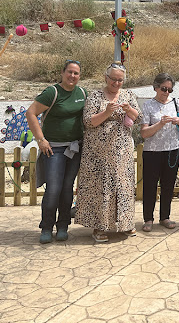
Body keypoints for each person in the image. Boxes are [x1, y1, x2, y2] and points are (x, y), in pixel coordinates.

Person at [74, 63, 141, 243]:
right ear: (106, 78)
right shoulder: (95, 96)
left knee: (123, 186)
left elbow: (138, 117)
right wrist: (106, 112)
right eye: (113, 79)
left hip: (122, 152)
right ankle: (100, 226)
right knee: (101, 187)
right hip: (98, 154)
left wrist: (129, 110)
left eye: (120, 80)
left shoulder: (129, 95)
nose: (117, 83)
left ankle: (125, 224)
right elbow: (88, 122)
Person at [26, 59, 87, 244]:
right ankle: (46, 227)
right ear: (62, 73)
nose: (72, 76)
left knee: (67, 188)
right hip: (54, 149)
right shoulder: (52, 92)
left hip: (75, 148)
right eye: (69, 72)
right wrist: (41, 140)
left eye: (76, 73)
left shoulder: (82, 93)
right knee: (53, 188)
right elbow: (31, 113)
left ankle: (63, 226)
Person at [140, 73, 179, 232]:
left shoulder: (176, 103)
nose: (167, 92)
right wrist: (160, 124)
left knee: (168, 185)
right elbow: (144, 133)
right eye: (163, 89)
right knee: (150, 186)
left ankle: (164, 217)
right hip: (152, 151)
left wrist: (178, 120)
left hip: (173, 149)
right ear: (155, 87)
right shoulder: (148, 105)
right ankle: (148, 218)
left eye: (170, 89)